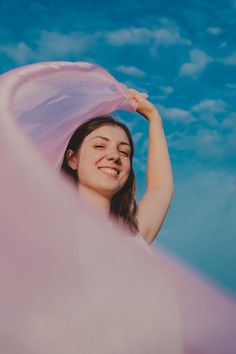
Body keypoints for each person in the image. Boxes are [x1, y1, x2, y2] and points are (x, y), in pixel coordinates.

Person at [61, 89, 174, 245]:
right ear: (72, 158)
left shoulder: (132, 235)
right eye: (100, 146)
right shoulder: (51, 228)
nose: (114, 156)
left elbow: (160, 189)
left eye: (124, 152)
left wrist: (153, 116)